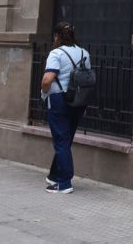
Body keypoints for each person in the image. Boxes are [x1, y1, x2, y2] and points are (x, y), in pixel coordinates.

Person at [39, 22, 91, 194]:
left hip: (59, 100)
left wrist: (43, 92)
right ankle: (55, 175)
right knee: (65, 140)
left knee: (61, 141)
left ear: (57, 37)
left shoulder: (56, 53)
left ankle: (64, 183)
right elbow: (86, 81)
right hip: (78, 101)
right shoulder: (84, 52)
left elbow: (47, 79)